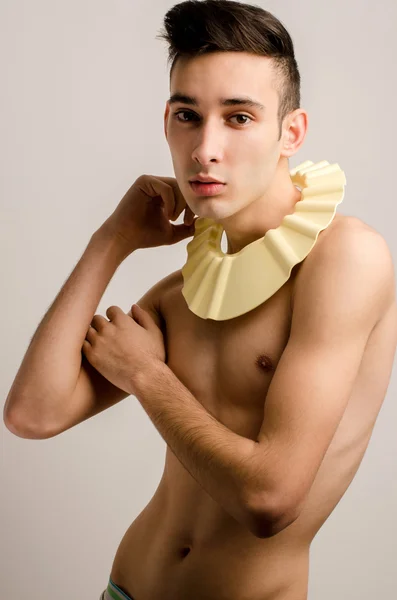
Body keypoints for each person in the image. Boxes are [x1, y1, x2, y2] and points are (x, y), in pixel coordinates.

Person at [4, 1, 397, 599]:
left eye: (239, 118)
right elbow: (31, 415)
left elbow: (271, 500)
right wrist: (110, 240)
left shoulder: (346, 259)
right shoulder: (185, 292)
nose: (205, 148)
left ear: (291, 131)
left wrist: (146, 375)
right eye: (189, 115)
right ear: (167, 122)